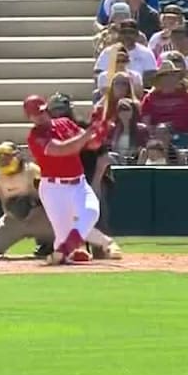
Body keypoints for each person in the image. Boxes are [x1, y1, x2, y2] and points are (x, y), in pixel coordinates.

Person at [23, 94, 121, 265]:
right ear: (29, 117)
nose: (42, 116)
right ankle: (70, 250)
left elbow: (90, 144)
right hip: (54, 189)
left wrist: (101, 132)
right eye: (36, 114)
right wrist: (90, 132)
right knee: (63, 236)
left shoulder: (64, 123)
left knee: (91, 211)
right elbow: (63, 149)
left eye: (44, 111)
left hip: (78, 182)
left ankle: (67, 249)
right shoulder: (35, 136)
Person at [0, 143, 68, 261]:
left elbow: (52, 193)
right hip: (13, 221)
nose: (4, 161)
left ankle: (47, 244)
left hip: (40, 217)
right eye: (0, 158)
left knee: (65, 238)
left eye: (7, 158)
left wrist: (34, 202)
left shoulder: (33, 171)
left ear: (17, 157)